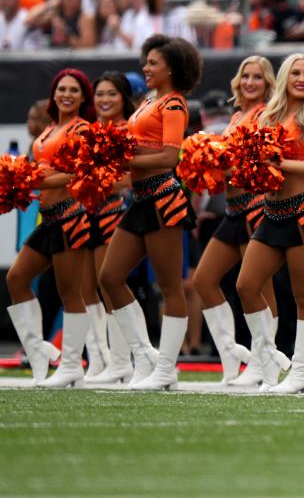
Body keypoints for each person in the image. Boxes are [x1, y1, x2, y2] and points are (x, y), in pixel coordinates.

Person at [97, 35, 202, 391]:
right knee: (110, 277)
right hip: (139, 199)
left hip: (162, 199)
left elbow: (170, 156)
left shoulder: (173, 104)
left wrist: (126, 157)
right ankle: (145, 356)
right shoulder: (147, 103)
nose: (146, 67)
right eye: (146, 62)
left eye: (153, 63)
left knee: (169, 286)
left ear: (170, 68)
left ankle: (166, 368)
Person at [233, 54, 304, 393]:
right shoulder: (268, 115)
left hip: (303, 213)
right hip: (271, 211)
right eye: (296, 73)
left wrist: (282, 162)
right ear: (285, 77)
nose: (301, 79)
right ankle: (269, 358)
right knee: (246, 285)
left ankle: (302, 371)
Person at [4, 69, 96, 387]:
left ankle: (72, 365)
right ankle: (39, 350)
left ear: (84, 97)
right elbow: (40, 171)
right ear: (53, 94)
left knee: (70, 293)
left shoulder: (83, 129)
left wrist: (32, 178)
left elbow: (76, 175)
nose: (66, 94)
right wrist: (19, 177)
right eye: (61, 89)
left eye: (73, 90)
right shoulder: (50, 130)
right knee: (16, 278)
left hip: (70, 216)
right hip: (49, 218)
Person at [189, 56, 276, 385]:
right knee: (204, 280)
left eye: (257, 77)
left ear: (268, 84)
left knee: (259, 288)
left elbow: (264, 162)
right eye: (245, 76)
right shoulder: (238, 115)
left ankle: (263, 360)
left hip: (256, 206)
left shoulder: (267, 115)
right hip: (233, 208)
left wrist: (223, 163)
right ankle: (231, 355)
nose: (250, 82)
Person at [82, 72, 137, 385]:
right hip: (86, 212)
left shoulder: (128, 130)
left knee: (108, 283)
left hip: (113, 211)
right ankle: (99, 359)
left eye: (111, 94)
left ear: (123, 99)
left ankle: (121, 360)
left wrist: (102, 184)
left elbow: (131, 175)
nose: (104, 100)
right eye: (99, 94)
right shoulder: (92, 131)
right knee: (84, 287)